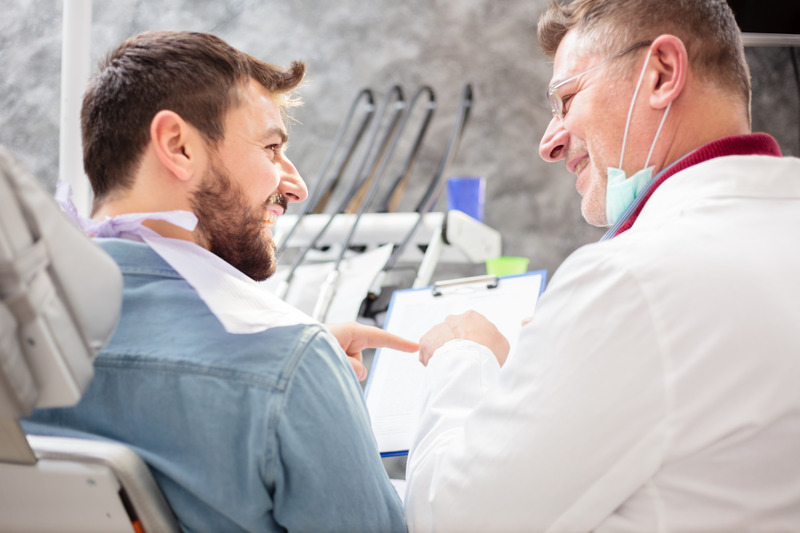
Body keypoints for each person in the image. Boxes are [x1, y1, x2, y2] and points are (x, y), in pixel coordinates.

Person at [404, 0, 800, 531]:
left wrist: (463, 359)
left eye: (566, 99)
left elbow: (451, 517)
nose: (549, 143)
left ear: (661, 73)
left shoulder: (632, 281)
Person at [22, 31, 416, 532]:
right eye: (272, 148)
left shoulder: (17, 338)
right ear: (178, 146)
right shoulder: (290, 366)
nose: (296, 184)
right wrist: (302, 376)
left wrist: (301, 377)